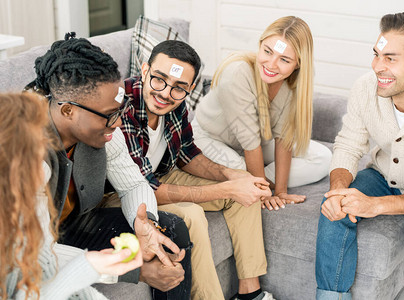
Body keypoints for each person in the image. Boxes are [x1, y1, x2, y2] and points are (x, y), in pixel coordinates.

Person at [25, 33, 191, 299]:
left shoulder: (100, 127)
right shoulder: (26, 154)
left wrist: (146, 224)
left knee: (168, 234)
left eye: (121, 109)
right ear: (68, 110)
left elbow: (133, 184)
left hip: (71, 225)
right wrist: (134, 270)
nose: (117, 122)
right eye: (109, 115)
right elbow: (34, 254)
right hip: (25, 249)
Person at [118, 39, 275, 300]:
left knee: (244, 188)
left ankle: (250, 293)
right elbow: (143, 188)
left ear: (190, 88)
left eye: (179, 88)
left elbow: (187, 153)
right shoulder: (125, 106)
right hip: (121, 192)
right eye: (159, 79)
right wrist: (225, 187)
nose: (166, 93)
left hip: (161, 174)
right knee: (190, 214)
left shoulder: (175, 104)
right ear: (145, 70)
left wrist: (232, 175)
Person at [315, 12, 404, 300]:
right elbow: (349, 145)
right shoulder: (365, 87)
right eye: (376, 55)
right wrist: (338, 190)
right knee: (334, 208)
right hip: (381, 175)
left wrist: (375, 206)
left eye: (391, 58)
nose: (377, 66)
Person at [1, 92, 143, 300]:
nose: (46, 163)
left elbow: (42, 279)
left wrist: (90, 268)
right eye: (34, 152)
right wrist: (87, 267)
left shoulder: (28, 208)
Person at [192, 16, 332, 211]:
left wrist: (281, 191)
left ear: (298, 64)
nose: (271, 64)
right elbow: (251, 144)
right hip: (210, 137)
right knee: (241, 169)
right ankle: (249, 180)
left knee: (323, 158)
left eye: (284, 59)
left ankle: (251, 180)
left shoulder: (295, 82)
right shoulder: (237, 74)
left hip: (257, 141)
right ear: (260, 45)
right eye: (267, 51)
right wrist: (264, 193)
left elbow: (284, 139)